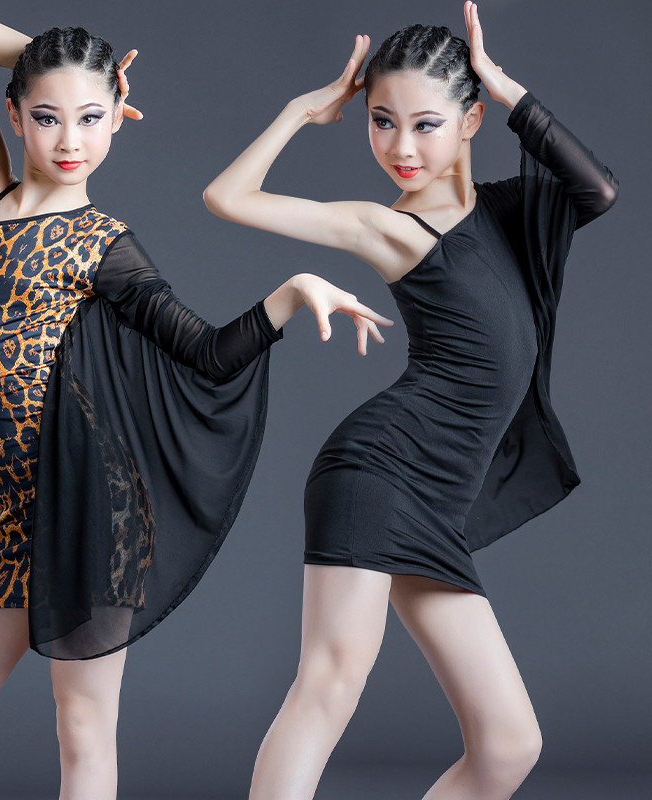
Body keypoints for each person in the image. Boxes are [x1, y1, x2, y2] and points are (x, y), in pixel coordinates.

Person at [0, 12, 391, 800]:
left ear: (117, 119)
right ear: (13, 114)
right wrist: (84, 67)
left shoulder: (103, 243)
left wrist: (292, 293)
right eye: (47, 116)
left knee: (82, 728)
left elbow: (206, 353)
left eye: (92, 116)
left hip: (92, 509)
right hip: (11, 517)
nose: (69, 139)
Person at [204, 2, 617, 798]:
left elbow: (595, 190)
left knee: (509, 744)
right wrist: (300, 111)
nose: (400, 148)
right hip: (381, 472)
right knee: (328, 685)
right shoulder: (390, 229)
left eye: (425, 125)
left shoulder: (508, 212)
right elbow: (229, 196)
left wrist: (507, 89)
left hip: (434, 502)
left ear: (470, 121)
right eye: (381, 122)